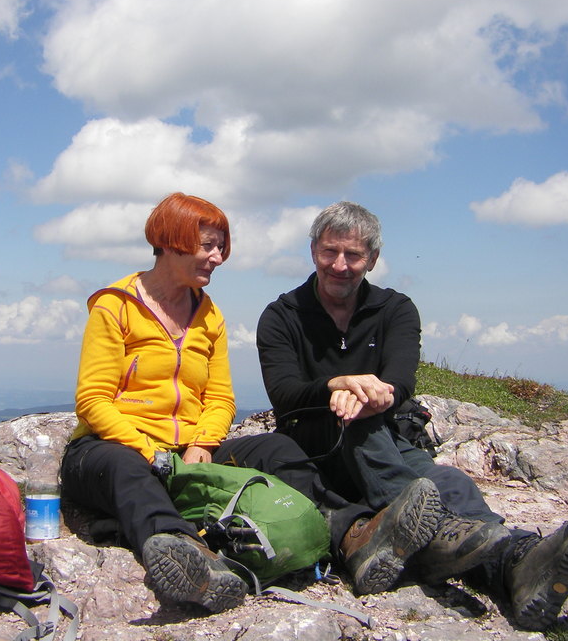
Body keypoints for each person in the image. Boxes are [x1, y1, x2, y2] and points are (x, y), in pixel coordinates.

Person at [61, 193, 445, 615]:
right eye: (208, 245)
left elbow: (221, 397)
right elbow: (93, 400)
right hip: (109, 448)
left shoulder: (208, 316)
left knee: (276, 449)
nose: (218, 257)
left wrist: (203, 445)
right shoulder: (115, 306)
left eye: (220, 246)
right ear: (170, 242)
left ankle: (353, 534)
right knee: (125, 467)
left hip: (187, 449)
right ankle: (193, 558)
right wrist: (149, 451)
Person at [256, 201, 568, 631]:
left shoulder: (396, 310)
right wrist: (338, 386)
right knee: (362, 424)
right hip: (314, 449)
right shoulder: (281, 316)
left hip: (383, 441)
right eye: (329, 252)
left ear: (372, 258)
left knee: (448, 481)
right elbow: (285, 395)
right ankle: (475, 543)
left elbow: (400, 380)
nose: (339, 265)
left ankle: (519, 564)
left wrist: (374, 394)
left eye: (353, 255)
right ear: (313, 249)